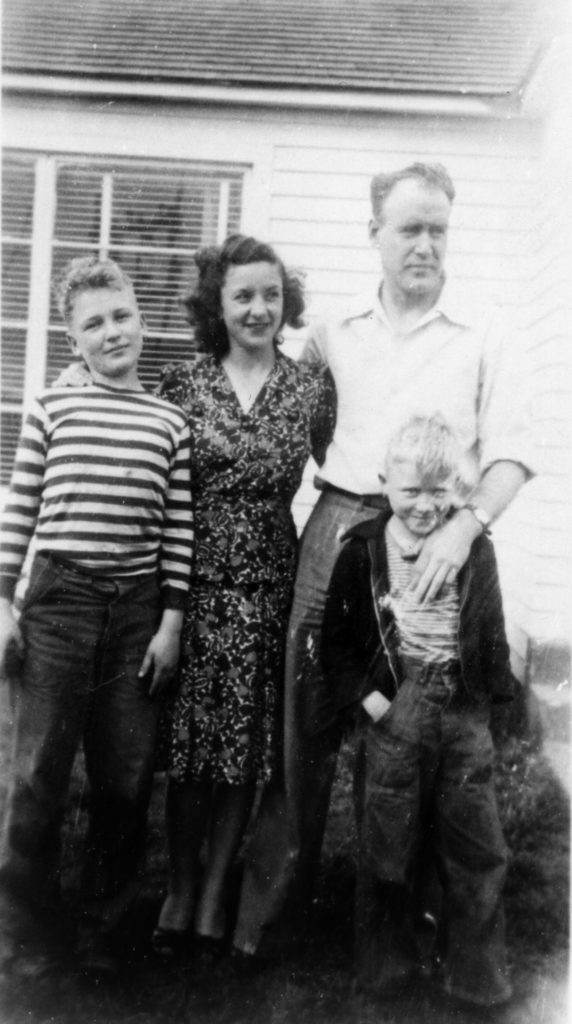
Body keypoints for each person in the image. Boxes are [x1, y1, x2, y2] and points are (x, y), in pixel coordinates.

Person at [232, 161, 533, 957]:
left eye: (439, 229)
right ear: (375, 236)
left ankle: (404, 918)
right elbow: (284, 426)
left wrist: (462, 530)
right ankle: (270, 919)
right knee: (307, 715)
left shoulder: (484, 334)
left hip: (439, 540)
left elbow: (510, 456)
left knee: (412, 727)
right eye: (410, 229)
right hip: (339, 526)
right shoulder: (332, 334)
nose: (426, 244)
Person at [0, 256, 193, 980]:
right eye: (93, 323)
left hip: (138, 613)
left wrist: (171, 622)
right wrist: (3, 603)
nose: (112, 332)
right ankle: (27, 932)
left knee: (126, 778)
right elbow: (19, 509)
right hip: (57, 604)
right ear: (71, 337)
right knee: (38, 776)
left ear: (141, 319)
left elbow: (178, 530)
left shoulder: (169, 422)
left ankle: (108, 934)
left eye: (122, 316)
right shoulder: (51, 406)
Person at [150, 235, 335, 957]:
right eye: (243, 296)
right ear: (217, 306)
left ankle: (213, 898)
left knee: (242, 752)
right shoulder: (182, 384)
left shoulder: (307, 390)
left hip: (267, 585)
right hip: (189, 583)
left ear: (285, 302)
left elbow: (344, 465)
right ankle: (176, 887)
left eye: (271, 295)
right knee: (192, 750)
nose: (259, 309)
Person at [321, 414, 514, 1008]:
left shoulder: (475, 550)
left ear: (459, 488)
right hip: (397, 709)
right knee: (388, 842)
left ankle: (476, 977)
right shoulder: (363, 550)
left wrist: (493, 708)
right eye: (411, 492)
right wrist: (374, 703)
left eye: (440, 491)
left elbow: (491, 630)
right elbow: (336, 643)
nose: (426, 506)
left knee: (476, 848)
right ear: (385, 484)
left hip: (462, 710)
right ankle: (387, 972)